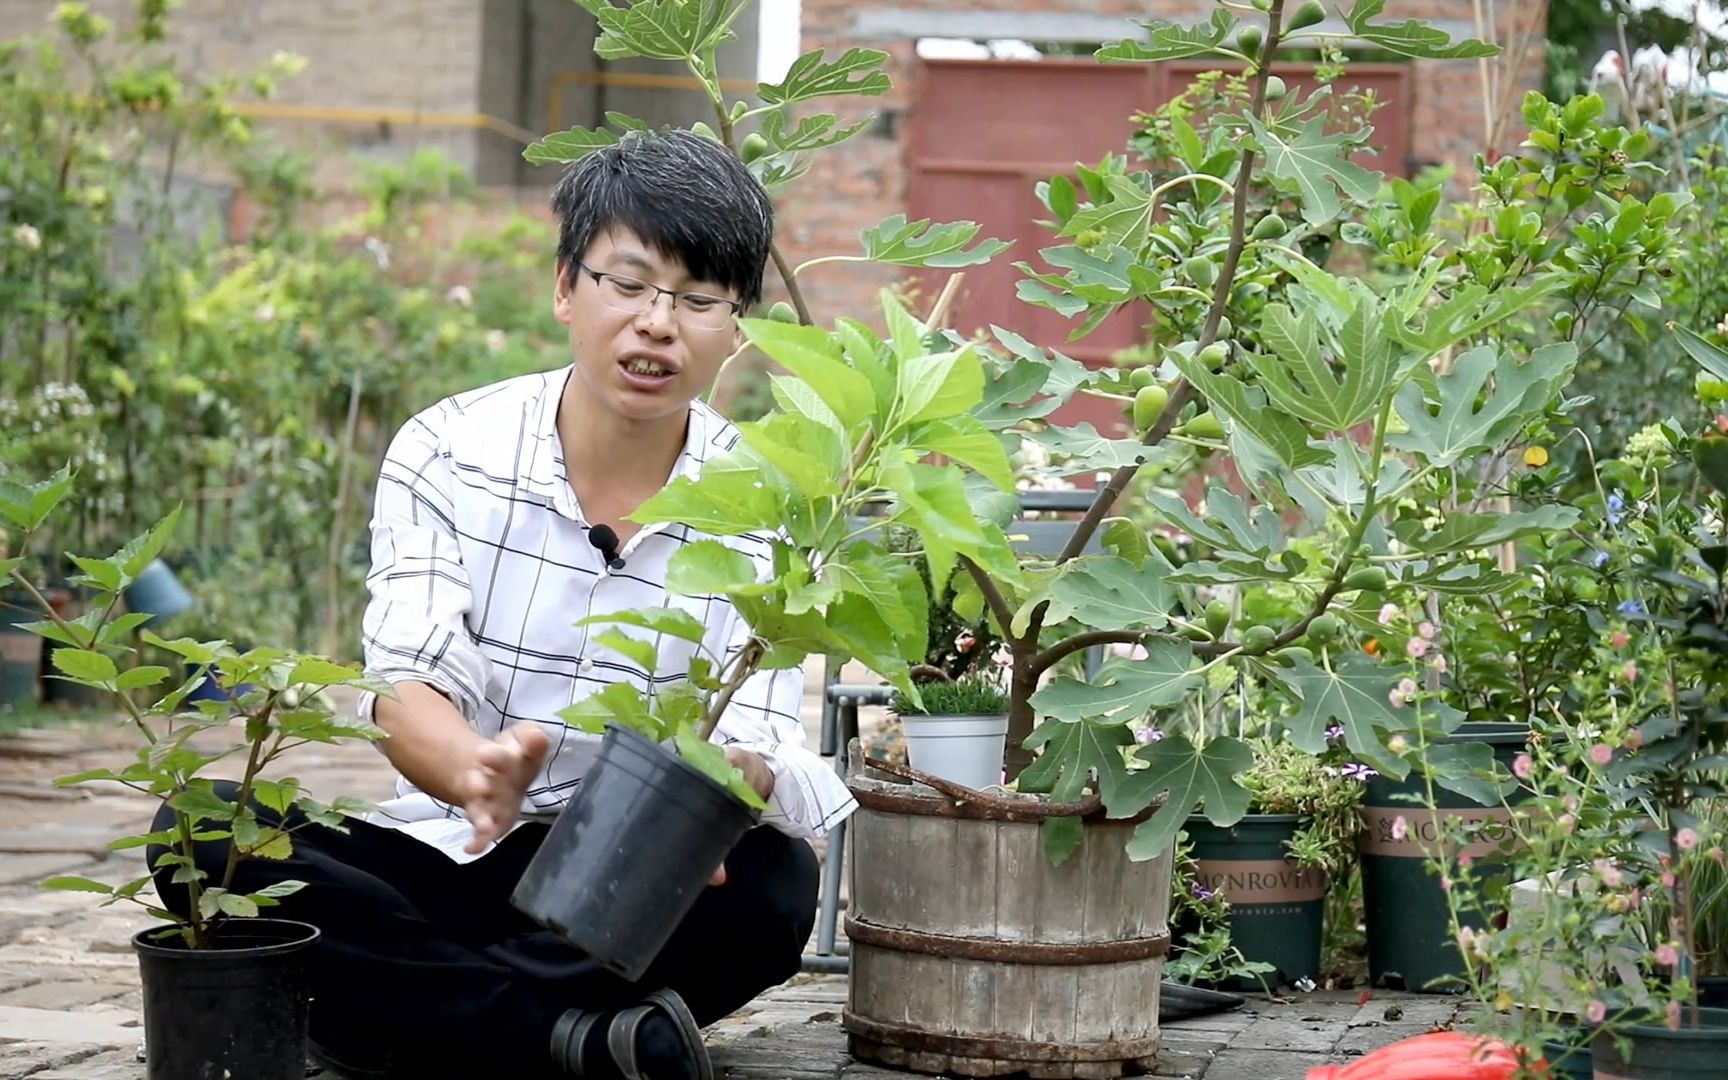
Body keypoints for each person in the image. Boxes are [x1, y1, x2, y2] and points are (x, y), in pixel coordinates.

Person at [148, 129, 856, 1079]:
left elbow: (769, 742)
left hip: (633, 884)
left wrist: (721, 786)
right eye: (630, 283)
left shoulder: (766, 496)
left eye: (697, 300)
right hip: (459, 855)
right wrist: (480, 771)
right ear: (567, 286)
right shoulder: (448, 447)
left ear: (737, 327)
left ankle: (424, 1017)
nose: (658, 323)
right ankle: (563, 1041)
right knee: (204, 831)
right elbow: (402, 680)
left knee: (777, 885)